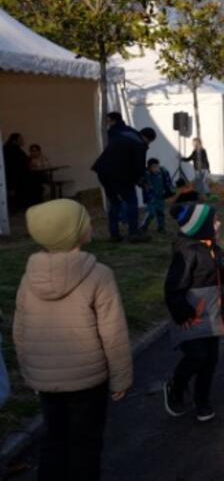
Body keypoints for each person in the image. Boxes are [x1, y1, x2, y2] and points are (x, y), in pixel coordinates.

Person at [14, 199, 131, 479]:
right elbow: (113, 332)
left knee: (54, 439)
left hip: (47, 382)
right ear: (74, 233)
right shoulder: (100, 275)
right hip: (88, 381)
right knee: (86, 445)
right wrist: (121, 377)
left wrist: (30, 374)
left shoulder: (28, 278)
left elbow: (21, 331)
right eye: (85, 221)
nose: (91, 223)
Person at [163, 203, 224, 422]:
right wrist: (183, 313)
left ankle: (202, 400)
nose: (219, 224)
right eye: (215, 221)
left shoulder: (213, 247)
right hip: (193, 316)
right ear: (201, 226)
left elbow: (218, 273)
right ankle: (176, 386)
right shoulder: (187, 252)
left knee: (210, 360)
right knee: (197, 356)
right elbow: (173, 287)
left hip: (212, 314)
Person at [92, 113, 157, 242]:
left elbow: (117, 127)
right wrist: (142, 182)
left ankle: (114, 234)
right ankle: (133, 233)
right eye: (149, 142)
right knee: (132, 201)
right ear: (148, 139)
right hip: (119, 175)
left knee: (115, 203)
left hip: (103, 171)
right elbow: (139, 167)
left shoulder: (127, 132)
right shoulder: (140, 144)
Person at [4, 133, 40, 210]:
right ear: (14, 141)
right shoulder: (14, 149)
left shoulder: (7, 148)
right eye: (20, 140)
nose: (22, 141)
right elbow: (24, 161)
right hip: (18, 178)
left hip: (11, 177)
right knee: (36, 181)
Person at [141, 158, 174, 233]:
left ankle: (161, 227)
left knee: (160, 212)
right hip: (151, 197)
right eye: (153, 167)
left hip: (160, 196)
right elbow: (144, 185)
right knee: (151, 213)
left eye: (157, 166)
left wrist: (169, 191)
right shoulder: (147, 175)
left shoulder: (163, 173)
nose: (156, 168)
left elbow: (168, 183)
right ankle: (144, 226)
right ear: (149, 168)